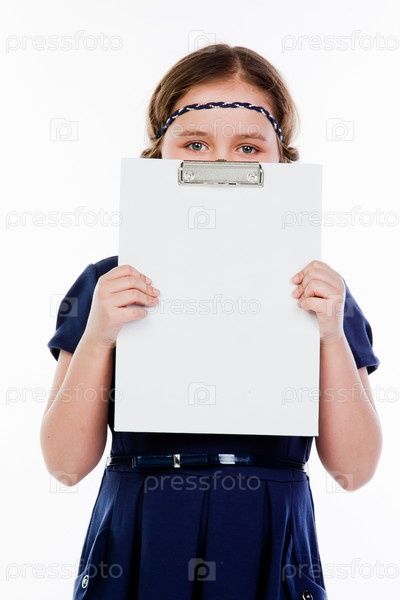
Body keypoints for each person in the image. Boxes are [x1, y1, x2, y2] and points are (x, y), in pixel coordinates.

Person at [40, 44, 382, 600]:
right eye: (195, 144)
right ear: (159, 154)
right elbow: (64, 465)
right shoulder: (107, 283)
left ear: (281, 160)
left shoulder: (321, 290)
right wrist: (99, 336)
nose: (221, 166)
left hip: (267, 528)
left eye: (248, 147)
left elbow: (355, 470)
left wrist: (329, 335)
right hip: (144, 527)